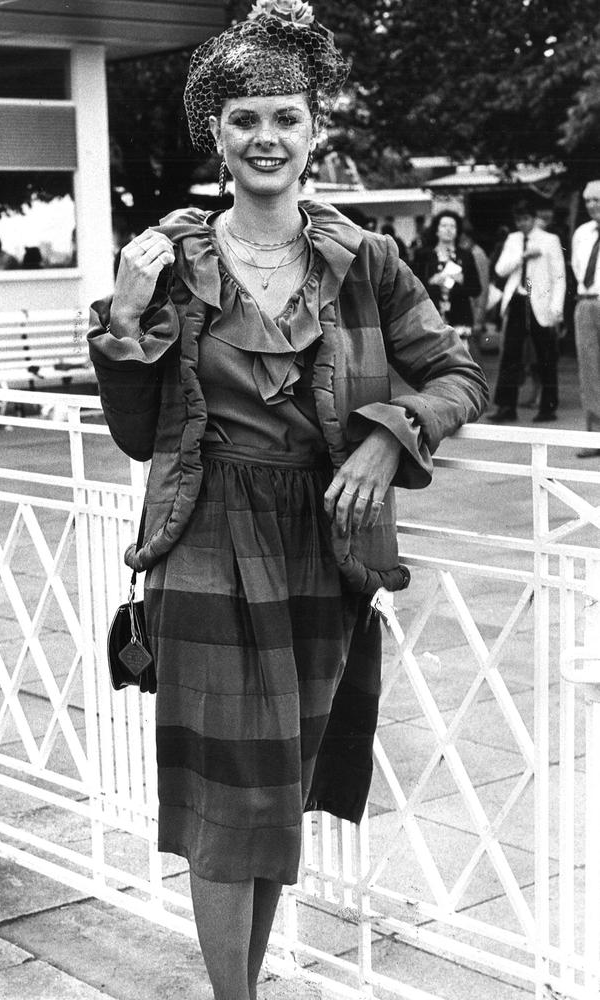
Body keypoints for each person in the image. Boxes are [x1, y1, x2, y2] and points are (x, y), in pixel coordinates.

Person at [87, 4, 488, 998]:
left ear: (314, 131)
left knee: (273, 796)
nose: (265, 137)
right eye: (244, 119)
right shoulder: (170, 262)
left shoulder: (369, 263)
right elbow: (138, 435)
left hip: (322, 546)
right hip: (204, 537)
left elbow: (456, 374)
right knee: (226, 805)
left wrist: (388, 436)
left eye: (284, 117)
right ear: (215, 136)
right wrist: (127, 319)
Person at [487, 197, 566, 423]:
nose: (521, 224)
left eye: (525, 219)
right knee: (510, 354)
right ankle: (506, 406)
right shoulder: (512, 239)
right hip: (518, 300)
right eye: (518, 220)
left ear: (534, 218)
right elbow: (501, 270)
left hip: (540, 302)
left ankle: (548, 407)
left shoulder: (550, 240)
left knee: (546, 356)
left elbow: (559, 277)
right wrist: (521, 257)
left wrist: (556, 309)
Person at [412, 210, 481, 343]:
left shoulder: (466, 256)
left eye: (452, 226)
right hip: (431, 318)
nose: (448, 230)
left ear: (457, 231)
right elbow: (413, 288)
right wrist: (431, 282)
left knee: (460, 359)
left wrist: (462, 281)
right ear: (436, 230)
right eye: (444, 226)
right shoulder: (424, 255)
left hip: (460, 318)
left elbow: (476, 289)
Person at [571, 179, 600, 457]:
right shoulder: (582, 233)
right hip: (587, 304)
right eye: (588, 200)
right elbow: (579, 269)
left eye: (597, 199)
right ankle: (595, 437)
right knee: (589, 370)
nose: (592, 205)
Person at [459, 221, 490, 345]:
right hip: (465, 312)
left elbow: (483, 288)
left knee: (472, 353)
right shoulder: (464, 252)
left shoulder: (477, 254)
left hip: (474, 313)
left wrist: (478, 319)